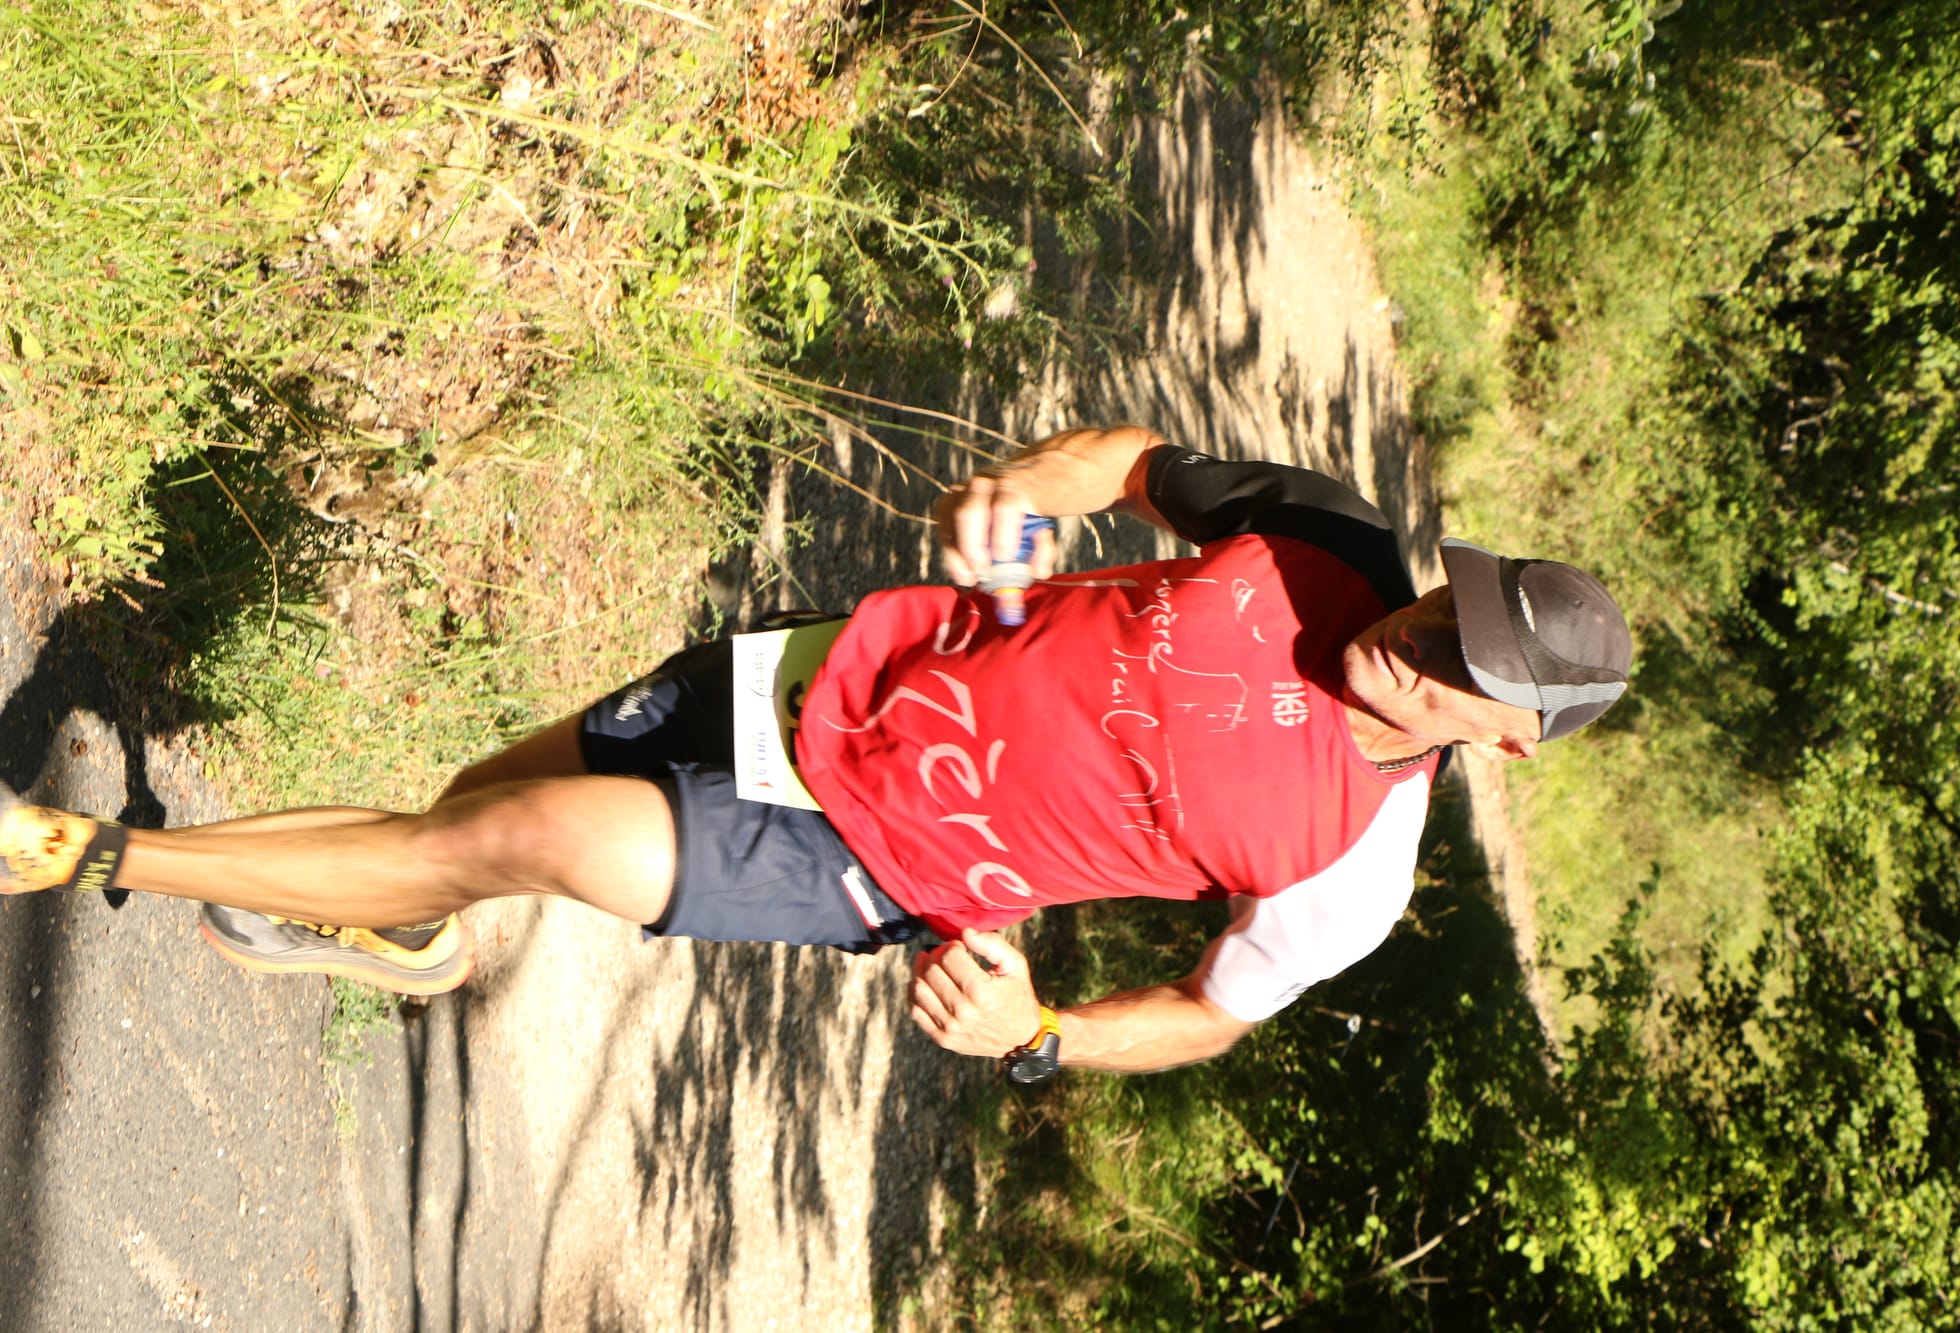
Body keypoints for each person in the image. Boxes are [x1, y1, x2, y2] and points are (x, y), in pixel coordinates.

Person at [0, 426, 1630, 1077]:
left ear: (1508, 742)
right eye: (1455, 603)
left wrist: (1039, 1032)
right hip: (831, 671)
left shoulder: (1355, 868)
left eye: (1464, 666)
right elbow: (1135, 463)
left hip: (872, 859)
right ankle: (416, 935)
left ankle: (67, 850)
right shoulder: (1329, 539)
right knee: (477, 806)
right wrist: (1024, 488)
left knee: (517, 835)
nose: (1423, 635)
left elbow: (1215, 1012)